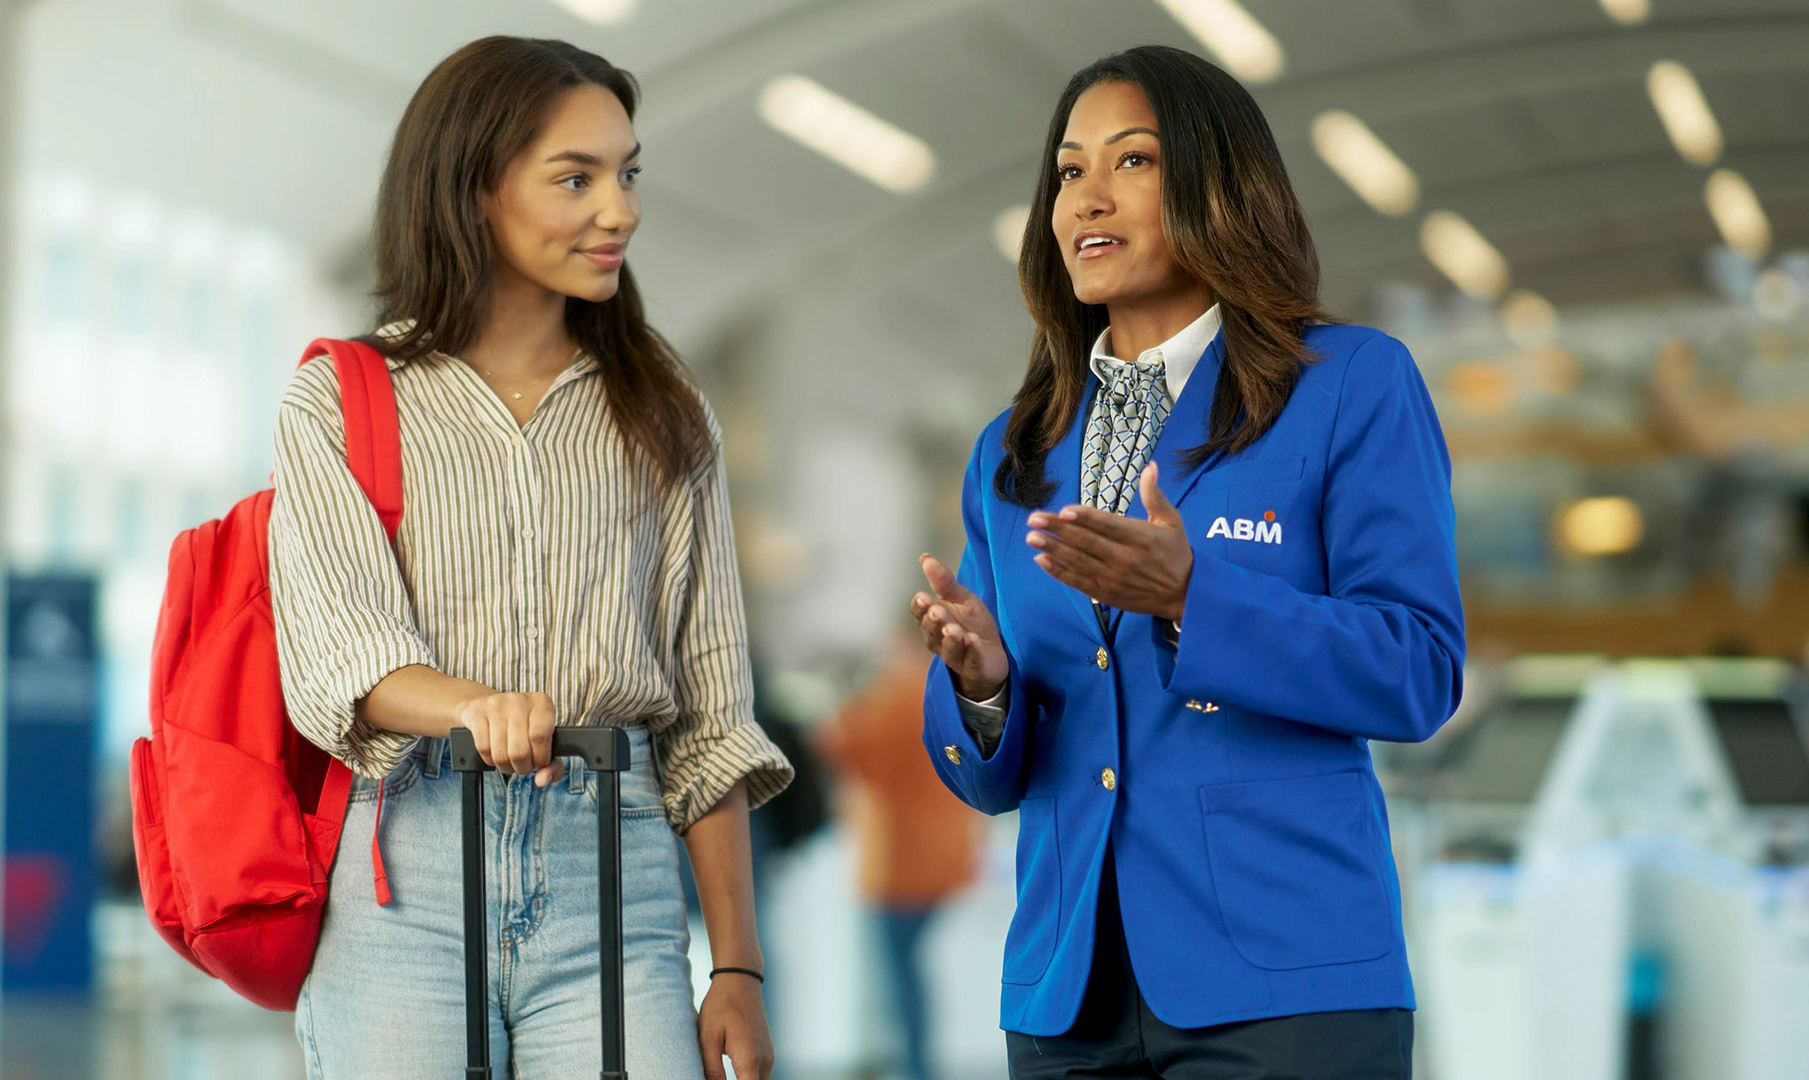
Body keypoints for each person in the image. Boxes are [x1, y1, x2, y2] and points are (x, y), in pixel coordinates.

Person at [908, 46, 1464, 1080]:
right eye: (1069, 171)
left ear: (1218, 185)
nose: (1087, 197)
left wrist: (1192, 599)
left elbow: (1419, 668)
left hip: (1286, 980)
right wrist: (980, 685)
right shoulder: (1015, 448)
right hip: (1067, 991)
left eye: (1132, 161)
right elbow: (996, 776)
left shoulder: (1348, 385)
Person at [267, 37, 791, 1080]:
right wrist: (472, 704)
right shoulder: (339, 399)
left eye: (627, 173)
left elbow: (710, 717)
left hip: (618, 870)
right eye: (576, 178)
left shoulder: (665, 411)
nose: (621, 210)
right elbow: (344, 648)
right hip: (402, 876)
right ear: (472, 191)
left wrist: (737, 966)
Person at [818, 635, 987, 1080]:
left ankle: (912, 1068)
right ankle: (909, 1064)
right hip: (944, 852)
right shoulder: (939, 688)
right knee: (906, 972)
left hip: (902, 864)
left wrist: (846, 699)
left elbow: (844, 743)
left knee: (899, 976)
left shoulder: (896, 692)